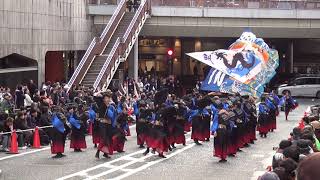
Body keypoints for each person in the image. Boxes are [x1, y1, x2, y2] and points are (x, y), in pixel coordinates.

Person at [95, 91, 117, 159]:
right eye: (105, 98)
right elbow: (95, 96)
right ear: (103, 99)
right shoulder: (101, 105)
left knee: (108, 139)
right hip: (102, 124)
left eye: (108, 98)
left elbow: (112, 116)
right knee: (103, 138)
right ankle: (98, 152)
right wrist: (101, 91)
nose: (107, 99)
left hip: (109, 124)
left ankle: (106, 153)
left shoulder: (111, 106)